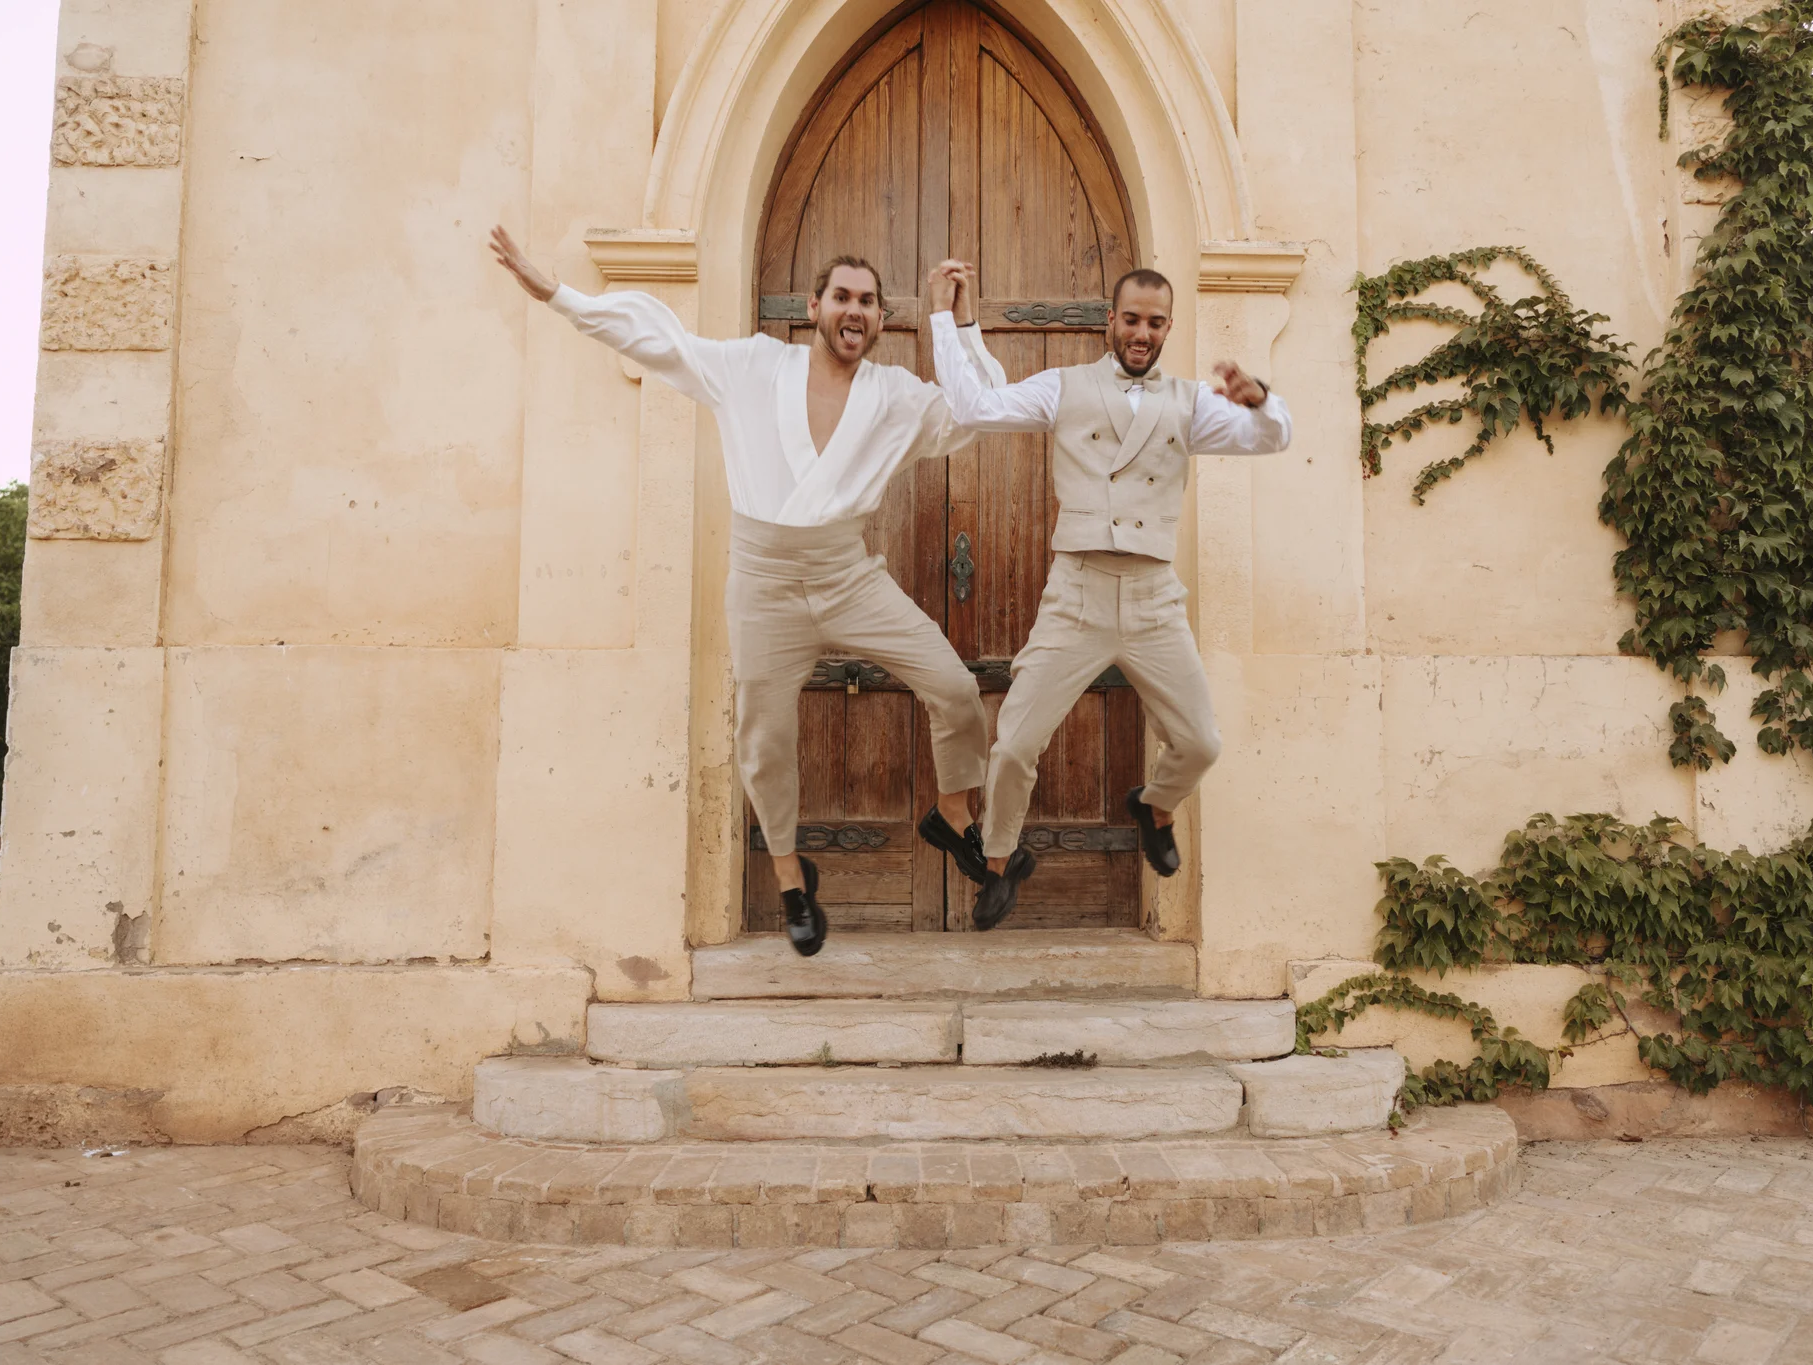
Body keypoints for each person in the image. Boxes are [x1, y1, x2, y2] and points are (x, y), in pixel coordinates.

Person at [490, 228, 1008, 955]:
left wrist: (959, 320)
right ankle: (792, 876)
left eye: (867, 302)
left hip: (847, 574)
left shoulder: (896, 396)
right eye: (842, 297)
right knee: (764, 737)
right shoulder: (754, 366)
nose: (854, 311)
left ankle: (952, 815)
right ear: (814, 307)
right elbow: (660, 342)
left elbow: (980, 409)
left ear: (880, 319)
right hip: (764, 580)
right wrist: (558, 295)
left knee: (953, 685)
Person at [925, 259, 1292, 929]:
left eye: (1155, 323)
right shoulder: (1065, 387)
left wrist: (1260, 399)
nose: (1142, 333)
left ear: (1168, 327)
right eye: (1131, 320)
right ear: (1109, 321)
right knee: (1014, 744)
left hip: (1154, 598)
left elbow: (1273, 440)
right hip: (1077, 594)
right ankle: (999, 861)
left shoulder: (1190, 402)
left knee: (1201, 742)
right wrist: (948, 320)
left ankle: (1155, 805)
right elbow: (978, 405)